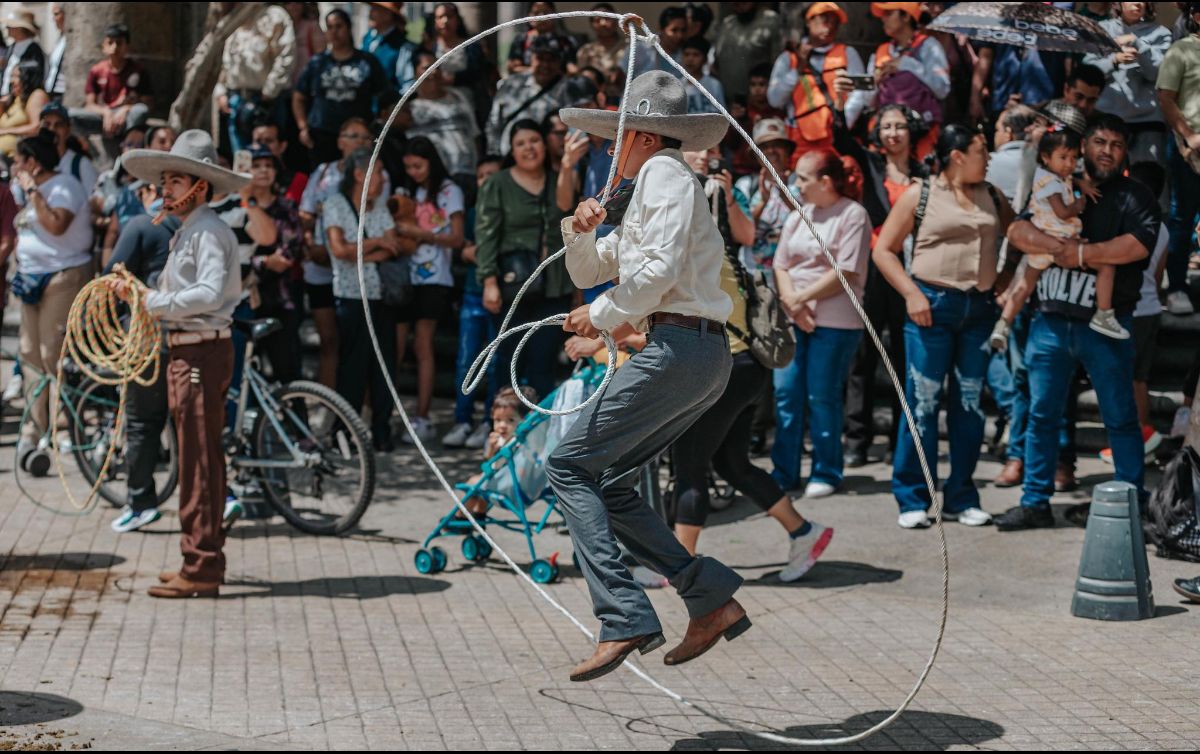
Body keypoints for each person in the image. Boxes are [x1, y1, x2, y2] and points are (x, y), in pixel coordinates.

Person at [549, 71, 748, 682]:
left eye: (616, 138)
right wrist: (578, 230)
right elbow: (592, 269)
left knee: (568, 465)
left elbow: (653, 273)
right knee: (608, 482)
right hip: (696, 352)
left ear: (639, 136)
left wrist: (602, 314)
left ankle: (623, 615)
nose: (611, 150)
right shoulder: (654, 189)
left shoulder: (663, 174)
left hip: (679, 346)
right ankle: (707, 597)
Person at [670, 147, 833, 582]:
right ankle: (805, 532)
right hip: (744, 368)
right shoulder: (710, 251)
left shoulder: (692, 253)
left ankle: (677, 568)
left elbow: (745, 234)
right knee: (731, 464)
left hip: (725, 368)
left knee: (689, 466)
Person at [997, 114, 1158, 531]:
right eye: (1099, 142)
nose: (1107, 151)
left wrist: (1084, 254)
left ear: (1125, 153)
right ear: (1084, 145)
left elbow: (1137, 245)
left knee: (1120, 417)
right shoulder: (1055, 182)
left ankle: (1130, 502)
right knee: (1041, 415)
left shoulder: (1135, 195)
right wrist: (1057, 247)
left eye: (1116, 145)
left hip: (1106, 325)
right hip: (1050, 319)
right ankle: (1035, 501)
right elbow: (1016, 231)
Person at [113, 130, 248, 597]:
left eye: (175, 181)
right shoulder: (192, 229)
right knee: (195, 455)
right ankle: (197, 556)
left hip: (200, 351)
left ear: (200, 187)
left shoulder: (206, 231)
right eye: (165, 181)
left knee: (198, 458)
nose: (165, 190)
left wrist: (151, 301)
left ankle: (202, 564)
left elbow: (207, 293)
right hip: (191, 349)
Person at [874, 124, 1014, 529]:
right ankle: (913, 496)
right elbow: (884, 251)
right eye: (981, 150)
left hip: (979, 309)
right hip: (930, 307)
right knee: (922, 404)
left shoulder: (993, 194)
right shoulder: (920, 194)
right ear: (957, 156)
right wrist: (911, 294)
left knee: (969, 405)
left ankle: (961, 496)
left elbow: (1019, 235)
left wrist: (1006, 275)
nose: (988, 158)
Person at [771, 150, 870, 497]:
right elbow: (781, 264)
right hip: (794, 315)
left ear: (825, 182)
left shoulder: (853, 214)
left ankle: (826, 470)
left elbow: (846, 271)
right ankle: (784, 472)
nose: (796, 184)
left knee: (821, 395)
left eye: (803, 178)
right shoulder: (799, 215)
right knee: (786, 393)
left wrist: (800, 299)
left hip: (836, 322)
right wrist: (792, 302)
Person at [838, 104, 927, 468]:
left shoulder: (926, 173)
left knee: (905, 356)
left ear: (911, 131)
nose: (892, 133)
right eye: (886, 126)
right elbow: (842, 141)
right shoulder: (870, 164)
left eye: (899, 126)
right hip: (873, 267)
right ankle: (857, 440)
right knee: (863, 355)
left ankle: (899, 441)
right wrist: (841, 103)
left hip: (910, 269)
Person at [993, 122, 1128, 352]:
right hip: (1059, 239)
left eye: (1074, 158)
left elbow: (1070, 178)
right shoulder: (1049, 183)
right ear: (1046, 157)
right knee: (1106, 267)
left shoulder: (1055, 175)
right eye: (1063, 158)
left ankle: (1003, 323)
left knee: (1025, 285)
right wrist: (1079, 204)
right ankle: (1104, 313)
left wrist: (1081, 183)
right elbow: (1062, 212)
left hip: (1047, 242)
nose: (1069, 164)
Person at [10, 132, 93, 473]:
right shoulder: (26, 190)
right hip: (30, 280)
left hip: (62, 277)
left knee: (53, 355)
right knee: (29, 354)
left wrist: (32, 191)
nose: (15, 167)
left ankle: (63, 430)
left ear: (32, 162)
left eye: (19, 161)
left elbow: (56, 226)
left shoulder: (65, 187)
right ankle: (33, 431)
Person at [474, 119, 573, 399]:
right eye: (520, 144)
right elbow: (486, 235)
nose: (529, 148)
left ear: (545, 144)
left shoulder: (558, 180)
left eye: (534, 141)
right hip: (512, 286)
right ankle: (500, 423)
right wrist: (489, 282)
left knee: (544, 362)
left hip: (554, 285)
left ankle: (539, 425)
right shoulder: (497, 184)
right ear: (512, 151)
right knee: (506, 361)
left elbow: (569, 220)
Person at [321, 147, 406, 452]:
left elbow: (394, 247)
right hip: (351, 297)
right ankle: (345, 432)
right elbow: (339, 250)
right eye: (378, 172)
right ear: (360, 174)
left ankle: (381, 430)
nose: (383, 178)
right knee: (352, 368)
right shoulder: (335, 204)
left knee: (383, 366)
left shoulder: (379, 206)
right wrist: (376, 243)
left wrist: (363, 250)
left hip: (381, 296)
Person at [104, 208, 180, 533]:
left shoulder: (141, 225)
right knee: (196, 425)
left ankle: (140, 502)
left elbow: (110, 277)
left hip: (151, 338)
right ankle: (221, 496)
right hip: (196, 336)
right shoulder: (205, 226)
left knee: (141, 424)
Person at [298, 118, 383, 390]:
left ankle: (355, 403)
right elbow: (305, 213)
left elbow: (380, 219)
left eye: (365, 137)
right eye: (352, 136)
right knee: (329, 340)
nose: (359, 142)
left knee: (357, 343)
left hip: (357, 272)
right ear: (339, 141)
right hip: (321, 268)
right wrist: (311, 243)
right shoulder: (323, 173)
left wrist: (356, 250)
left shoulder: (377, 174)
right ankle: (327, 401)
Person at [392, 137, 465, 444]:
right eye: (408, 167)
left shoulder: (449, 191)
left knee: (423, 346)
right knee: (396, 346)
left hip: (435, 277)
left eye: (418, 166)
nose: (414, 172)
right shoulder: (407, 192)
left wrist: (420, 234)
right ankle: (388, 412)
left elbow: (457, 238)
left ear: (431, 162)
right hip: (403, 276)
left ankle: (422, 417)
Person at [1098, 161, 1168, 466]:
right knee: (1140, 380)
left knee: (1122, 381)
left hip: (1128, 309)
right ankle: (1143, 436)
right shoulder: (1163, 228)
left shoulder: (1126, 218)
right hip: (1150, 308)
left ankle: (1129, 442)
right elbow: (1159, 275)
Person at [444, 155, 504, 450]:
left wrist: (480, 253)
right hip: (472, 293)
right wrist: (481, 253)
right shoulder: (471, 214)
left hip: (501, 295)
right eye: (481, 176)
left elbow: (482, 252)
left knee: (495, 363)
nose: (486, 181)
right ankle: (462, 420)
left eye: (492, 174)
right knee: (466, 360)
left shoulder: (508, 209)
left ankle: (489, 423)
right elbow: (465, 251)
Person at [766, 2, 867, 163]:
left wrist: (843, 122)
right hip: (799, 139)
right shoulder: (789, 58)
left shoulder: (848, 53)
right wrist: (797, 71)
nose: (830, 26)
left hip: (837, 137)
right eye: (825, 20)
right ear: (809, 21)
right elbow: (775, 99)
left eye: (835, 22)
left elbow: (860, 93)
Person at [243, 144, 305, 386]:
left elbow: (286, 259)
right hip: (245, 301)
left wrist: (253, 262)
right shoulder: (236, 208)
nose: (263, 171)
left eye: (269, 166)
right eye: (256, 165)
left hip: (281, 301)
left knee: (288, 371)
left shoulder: (286, 208)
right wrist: (265, 261)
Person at [293, 9, 388, 169]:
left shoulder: (366, 62)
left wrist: (377, 127)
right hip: (322, 135)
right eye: (329, 27)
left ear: (349, 28)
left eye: (339, 26)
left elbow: (384, 95)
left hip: (358, 137)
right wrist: (303, 127)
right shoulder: (317, 63)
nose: (334, 32)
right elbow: (299, 97)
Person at [1083, 2, 1172, 166]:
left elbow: (1158, 74)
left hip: (1147, 120)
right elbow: (1089, 73)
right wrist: (1114, 60)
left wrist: (1138, 44)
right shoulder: (1101, 29)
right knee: (1103, 174)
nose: (1138, 3)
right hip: (1107, 116)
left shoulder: (1161, 33)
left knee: (1147, 176)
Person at [1156, 2, 1200, 316]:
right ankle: (1176, 288)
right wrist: (1189, 136)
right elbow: (1165, 98)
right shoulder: (1180, 50)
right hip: (1189, 150)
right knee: (1182, 218)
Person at [867, 2, 950, 157]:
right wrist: (875, 82)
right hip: (888, 138)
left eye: (888, 14)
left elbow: (942, 89)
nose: (883, 19)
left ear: (905, 16)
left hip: (922, 136)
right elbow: (868, 102)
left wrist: (908, 65)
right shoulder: (881, 51)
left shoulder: (928, 46)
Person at [486, 35, 586, 155]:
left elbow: (577, 128)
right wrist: (494, 153)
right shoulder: (511, 84)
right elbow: (494, 123)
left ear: (559, 62)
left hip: (551, 160)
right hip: (508, 156)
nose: (545, 65)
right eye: (540, 58)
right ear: (531, 59)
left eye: (551, 60)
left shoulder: (570, 90)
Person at [216, 3, 296, 152]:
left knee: (267, 155)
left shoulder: (274, 16)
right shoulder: (232, 19)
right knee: (241, 157)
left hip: (267, 101)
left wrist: (269, 92)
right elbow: (223, 62)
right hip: (236, 100)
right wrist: (220, 91)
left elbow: (285, 57)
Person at [400, 50, 478, 189]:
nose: (434, 72)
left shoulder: (459, 97)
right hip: (436, 184)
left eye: (438, 67)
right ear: (415, 73)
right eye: (427, 68)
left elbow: (474, 134)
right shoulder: (409, 109)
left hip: (469, 175)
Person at [733, 118, 801, 272]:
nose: (771, 151)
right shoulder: (745, 185)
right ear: (756, 156)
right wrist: (762, 203)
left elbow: (813, 226)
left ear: (787, 151)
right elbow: (740, 232)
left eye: (777, 145)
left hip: (795, 273)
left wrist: (786, 197)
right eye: (764, 147)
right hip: (754, 274)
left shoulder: (802, 182)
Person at [459, 386, 539, 516]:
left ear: (523, 421)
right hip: (519, 486)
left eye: (510, 420)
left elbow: (490, 467)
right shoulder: (507, 440)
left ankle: (460, 516)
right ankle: (479, 514)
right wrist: (491, 449)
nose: (502, 425)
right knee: (485, 479)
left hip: (512, 488)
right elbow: (490, 463)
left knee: (474, 483)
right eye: (497, 420)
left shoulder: (517, 443)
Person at [78, 24, 152, 140]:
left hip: (126, 117)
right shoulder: (97, 70)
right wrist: (106, 112)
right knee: (71, 114)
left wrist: (126, 108)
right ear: (103, 46)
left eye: (119, 43)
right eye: (110, 43)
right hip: (102, 116)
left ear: (127, 47)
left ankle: (127, 139)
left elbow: (147, 103)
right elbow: (90, 105)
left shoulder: (138, 70)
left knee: (140, 111)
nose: (114, 47)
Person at [711, 2, 782, 102]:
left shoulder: (770, 22)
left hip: (759, 102)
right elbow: (716, 63)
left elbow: (779, 65)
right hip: (726, 101)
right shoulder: (727, 24)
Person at [725, 62, 784, 177]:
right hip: (743, 170)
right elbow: (731, 144)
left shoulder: (778, 111)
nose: (757, 89)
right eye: (753, 85)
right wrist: (735, 121)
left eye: (762, 84)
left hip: (772, 169)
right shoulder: (743, 110)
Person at [38, 101, 98, 200]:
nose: (52, 129)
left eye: (58, 125)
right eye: (47, 124)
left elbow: (93, 202)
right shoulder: (33, 164)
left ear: (68, 131)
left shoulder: (81, 165)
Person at [508, 1, 577, 75]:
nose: (541, 17)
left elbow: (572, 69)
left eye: (546, 13)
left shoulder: (565, 42)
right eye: (536, 13)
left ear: (554, 14)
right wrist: (538, 71)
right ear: (529, 16)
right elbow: (513, 68)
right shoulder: (521, 40)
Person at [363, 2, 418, 92]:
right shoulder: (368, 38)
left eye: (376, 9)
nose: (370, 13)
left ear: (388, 14)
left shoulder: (402, 47)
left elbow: (407, 84)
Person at [0, 60, 49, 159]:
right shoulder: (14, 99)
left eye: (16, 76)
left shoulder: (36, 95)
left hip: (15, 158)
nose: (11, 81)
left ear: (28, 77)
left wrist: (6, 131)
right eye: (11, 76)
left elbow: (36, 127)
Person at [0, 9, 44, 99]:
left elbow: (34, 74)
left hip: (22, 98)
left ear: (19, 28)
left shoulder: (34, 49)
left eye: (10, 26)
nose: (7, 28)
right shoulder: (11, 47)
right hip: (6, 96)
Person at [575, 3, 625, 73]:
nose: (603, 23)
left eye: (607, 18)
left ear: (616, 21)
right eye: (597, 20)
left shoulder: (631, 46)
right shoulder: (585, 51)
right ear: (592, 25)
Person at [680, 37, 724, 114]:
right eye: (686, 54)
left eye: (696, 55)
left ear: (705, 59)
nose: (690, 59)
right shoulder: (678, 86)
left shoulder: (714, 85)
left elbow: (721, 115)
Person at [44, 4, 66, 101]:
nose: (53, 19)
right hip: (51, 92)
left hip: (62, 93)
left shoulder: (70, 40)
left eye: (56, 14)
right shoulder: (59, 39)